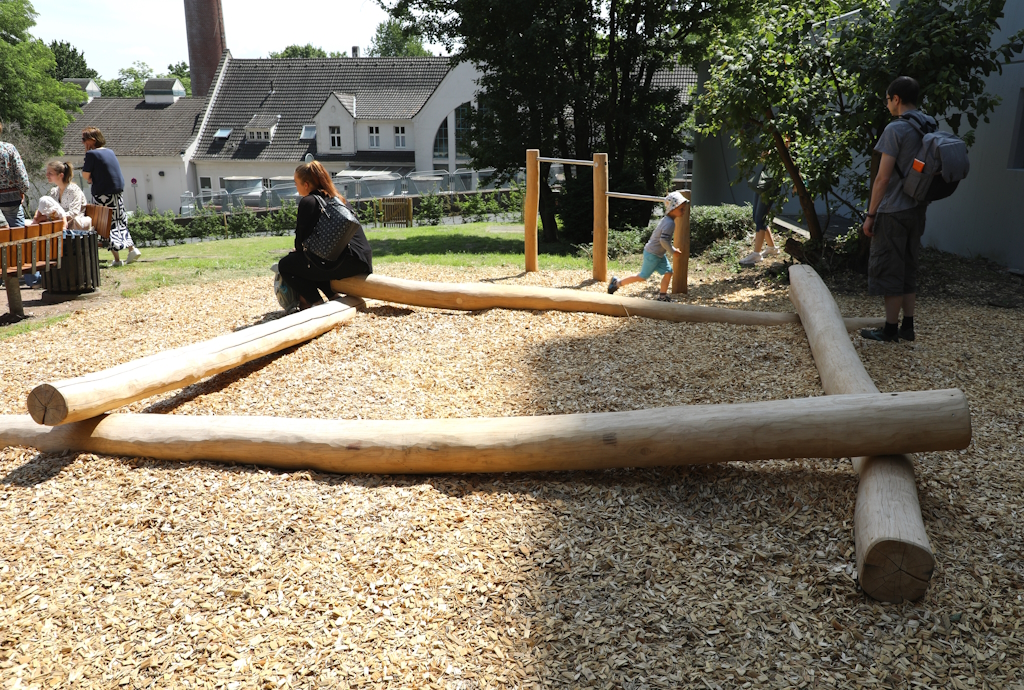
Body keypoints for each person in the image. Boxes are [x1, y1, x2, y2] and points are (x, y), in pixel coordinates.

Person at [860, 76, 932, 343]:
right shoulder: (928, 123)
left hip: (893, 211)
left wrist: (870, 215)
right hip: (918, 207)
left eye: (888, 99)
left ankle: (890, 329)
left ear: (897, 99)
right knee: (909, 266)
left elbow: (882, 178)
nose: (887, 104)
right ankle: (908, 326)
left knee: (891, 268)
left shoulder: (895, 129)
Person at [277, 161, 372, 309]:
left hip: (346, 262)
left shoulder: (308, 202)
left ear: (306, 185)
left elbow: (300, 244)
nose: (296, 187)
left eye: (296, 183)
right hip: (362, 259)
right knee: (313, 259)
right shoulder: (338, 198)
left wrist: (297, 252)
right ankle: (333, 296)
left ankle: (317, 303)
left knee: (286, 265)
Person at [607, 191, 686, 302]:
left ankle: (662, 297)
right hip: (652, 254)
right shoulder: (670, 223)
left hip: (658, 254)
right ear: (673, 209)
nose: (683, 211)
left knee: (668, 272)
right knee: (642, 277)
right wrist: (673, 251)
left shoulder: (668, 220)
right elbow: (663, 240)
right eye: (681, 209)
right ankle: (616, 283)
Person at [81, 127, 140, 267]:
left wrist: (87, 155)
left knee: (105, 225)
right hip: (117, 192)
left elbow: (85, 175)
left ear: (92, 140)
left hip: (102, 194)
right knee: (119, 221)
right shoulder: (110, 152)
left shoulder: (91, 154)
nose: (82, 142)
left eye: (84, 140)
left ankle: (117, 260)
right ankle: (132, 249)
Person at [739, 168, 781, 266]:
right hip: (762, 180)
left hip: (771, 185)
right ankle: (772, 248)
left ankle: (756, 254)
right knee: (757, 217)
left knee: (760, 219)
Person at [35, 161, 91, 230]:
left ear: (61, 175)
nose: (47, 175)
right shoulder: (54, 191)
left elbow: (74, 213)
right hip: (57, 224)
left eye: (50, 173)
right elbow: (49, 208)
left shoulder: (74, 190)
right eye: (47, 172)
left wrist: (54, 217)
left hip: (72, 227)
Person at [0, 119, 29, 230]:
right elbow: (21, 175)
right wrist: (22, 190)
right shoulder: (9, 149)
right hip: (11, 200)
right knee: (17, 236)